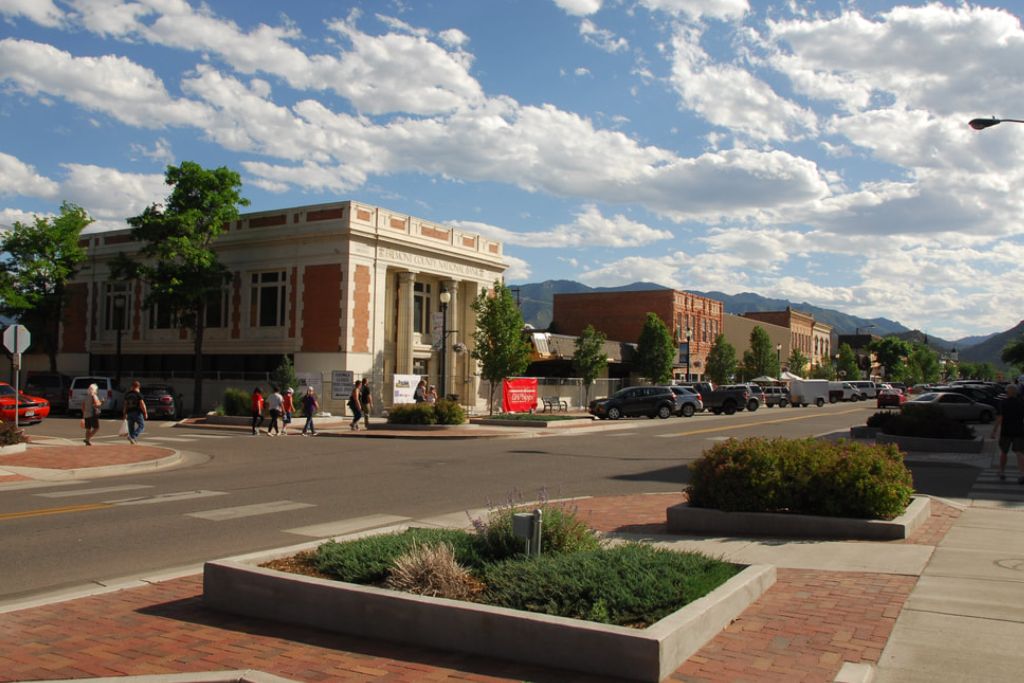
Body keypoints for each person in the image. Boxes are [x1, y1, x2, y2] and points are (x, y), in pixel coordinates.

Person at [992, 383, 1024, 483]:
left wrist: (994, 431)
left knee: (1004, 452)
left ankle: (1002, 472)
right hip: (1019, 431)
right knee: (1019, 453)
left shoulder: (1003, 403)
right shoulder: (1021, 403)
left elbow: (1000, 418)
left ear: (1008, 392)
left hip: (1006, 431)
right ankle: (1022, 474)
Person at [122, 380, 148, 445]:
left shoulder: (127, 394)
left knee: (131, 428)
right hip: (137, 413)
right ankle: (133, 437)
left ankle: (133, 441)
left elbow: (125, 404)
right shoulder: (138, 394)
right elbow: (142, 404)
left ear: (132, 386)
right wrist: (145, 413)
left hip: (129, 412)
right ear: (138, 386)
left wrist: (124, 413)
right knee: (141, 426)